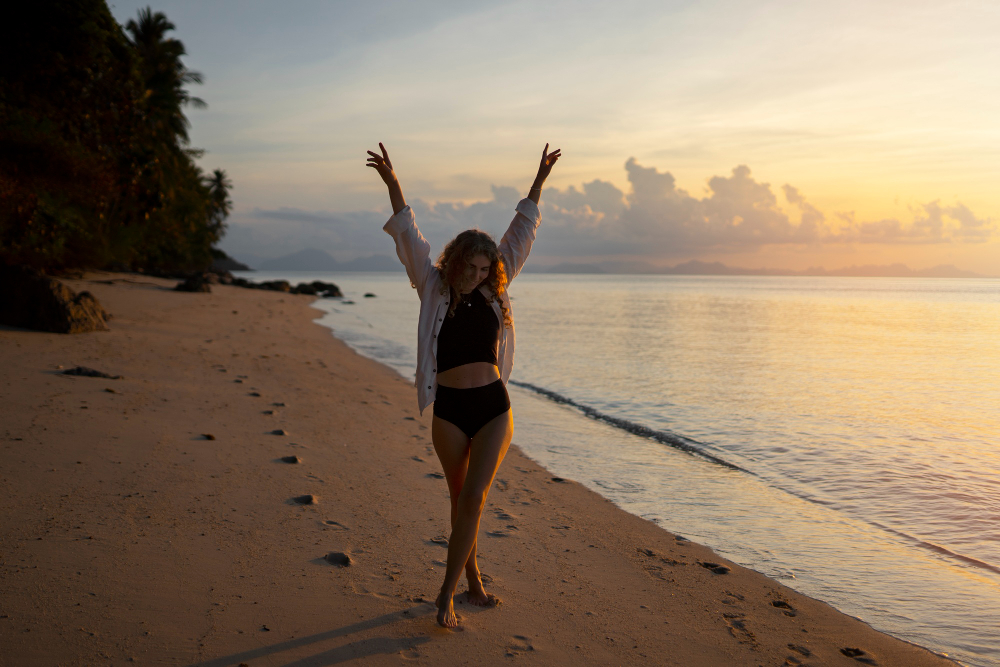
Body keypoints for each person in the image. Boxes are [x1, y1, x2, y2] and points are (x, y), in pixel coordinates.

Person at [367, 142, 561, 628]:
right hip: (449, 408)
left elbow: (522, 233)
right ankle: (472, 581)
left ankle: (445, 596)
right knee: (459, 500)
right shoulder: (431, 286)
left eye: (484, 270)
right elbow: (408, 237)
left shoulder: (497, 288)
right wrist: (393, 186)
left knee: (474, 499)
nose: (477, 277)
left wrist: (538, 182)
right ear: (455, 264)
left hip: (495, 407)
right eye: (470, 269)